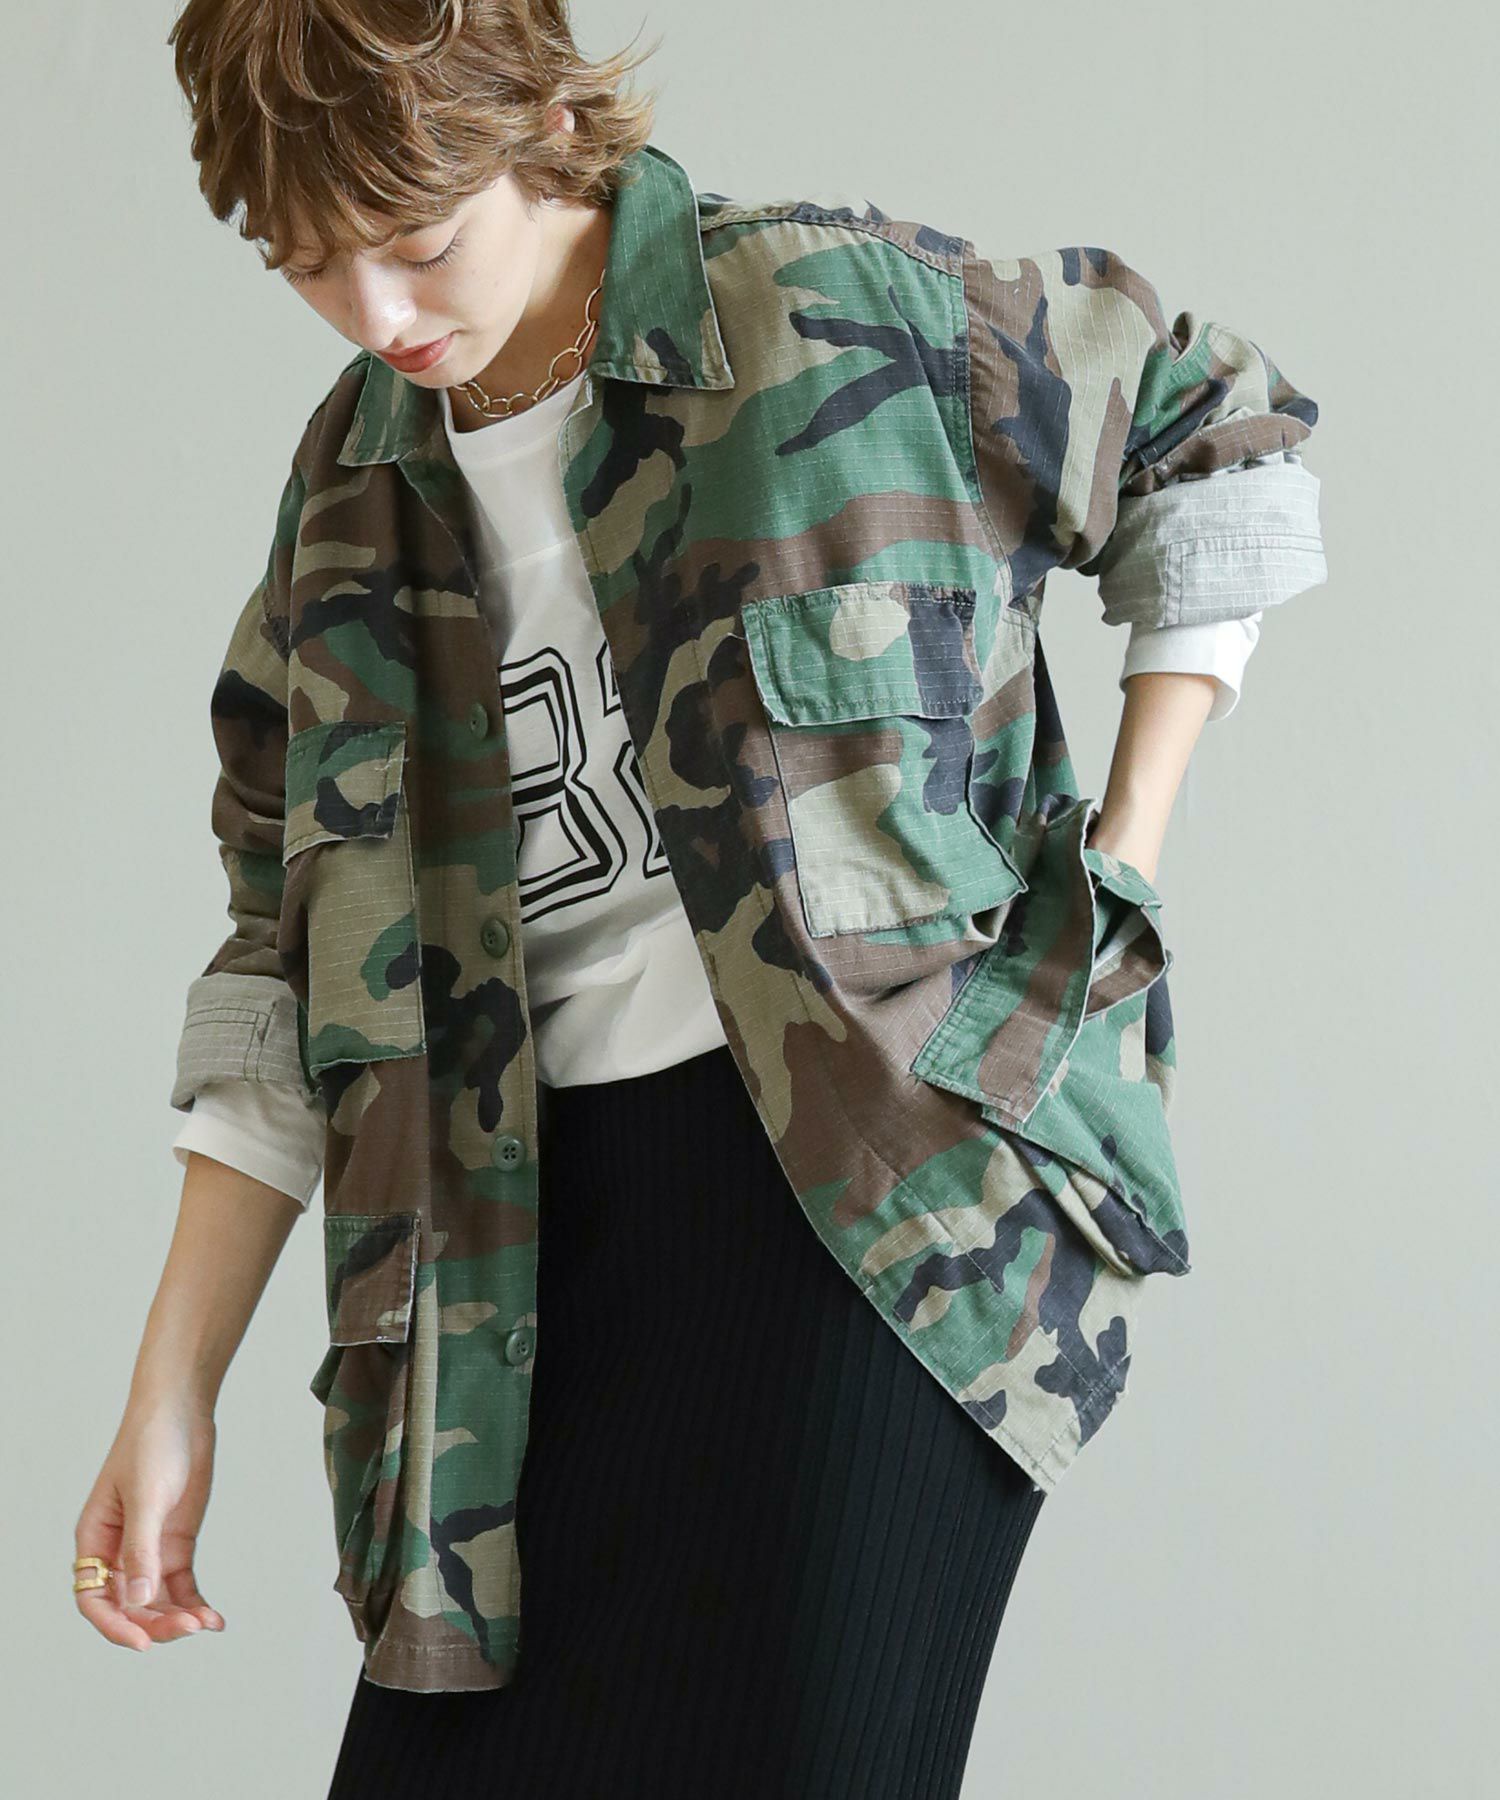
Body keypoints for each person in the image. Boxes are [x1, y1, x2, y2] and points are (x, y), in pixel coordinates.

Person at [72, 3, 1325, 1795]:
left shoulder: (831, 307)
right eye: (308, 266)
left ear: (536, 121)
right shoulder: (350, 499)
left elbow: (1215, 430)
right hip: (504, 1253)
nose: (377, 314)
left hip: (876, 1217)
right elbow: (284, 965)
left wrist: (1117, 862)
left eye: (417, 240)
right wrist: (171, 1388)